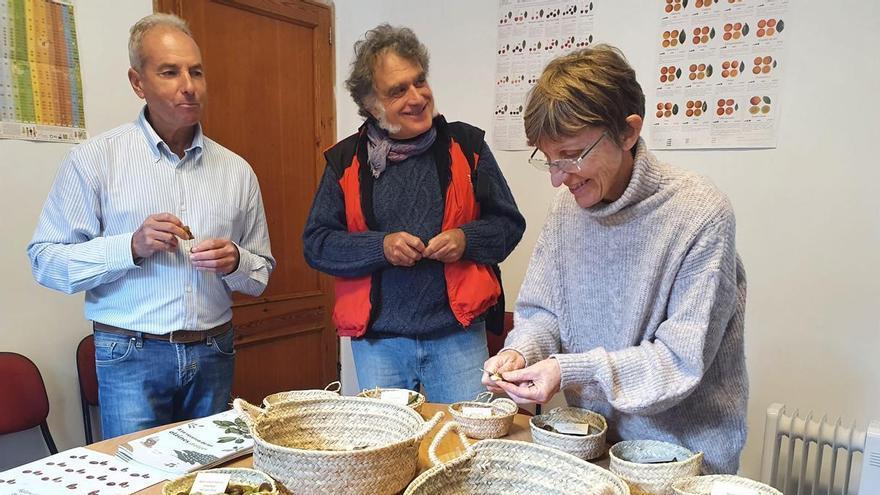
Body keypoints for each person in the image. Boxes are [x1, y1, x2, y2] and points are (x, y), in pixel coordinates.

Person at [482, 45, 748, 474]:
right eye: (549, 160)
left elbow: (677, 362)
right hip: (591, 443)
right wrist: (522, 353)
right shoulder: (568, 210)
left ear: (628, 132)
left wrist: (567, 369)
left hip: (680, 460)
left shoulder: (700, 213)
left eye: (571, 156)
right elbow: (546, 314)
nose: (557, 178)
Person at [27, 13, 275, 438]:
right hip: (130, 354)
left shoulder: (237, 171)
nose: (189, 85)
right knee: (138, 479)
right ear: (137, 82)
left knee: (211, 478)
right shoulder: (95, 161)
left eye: (196, 71)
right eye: (169, 72)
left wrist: (236, 260)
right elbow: (46, 261)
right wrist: (131, 246)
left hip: (214, 350)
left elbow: (261, 275)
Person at [303, 24, 525, 403]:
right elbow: (318, 244)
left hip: (458, 337)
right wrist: (381, 248)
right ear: (372, 105)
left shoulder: (467, 146)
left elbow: (509, 226)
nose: (417, 97)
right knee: (387, 453)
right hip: (380, 344)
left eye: (419, 81)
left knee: (469, 449)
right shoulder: (344, 161)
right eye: (397, 90)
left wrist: (465, 240)